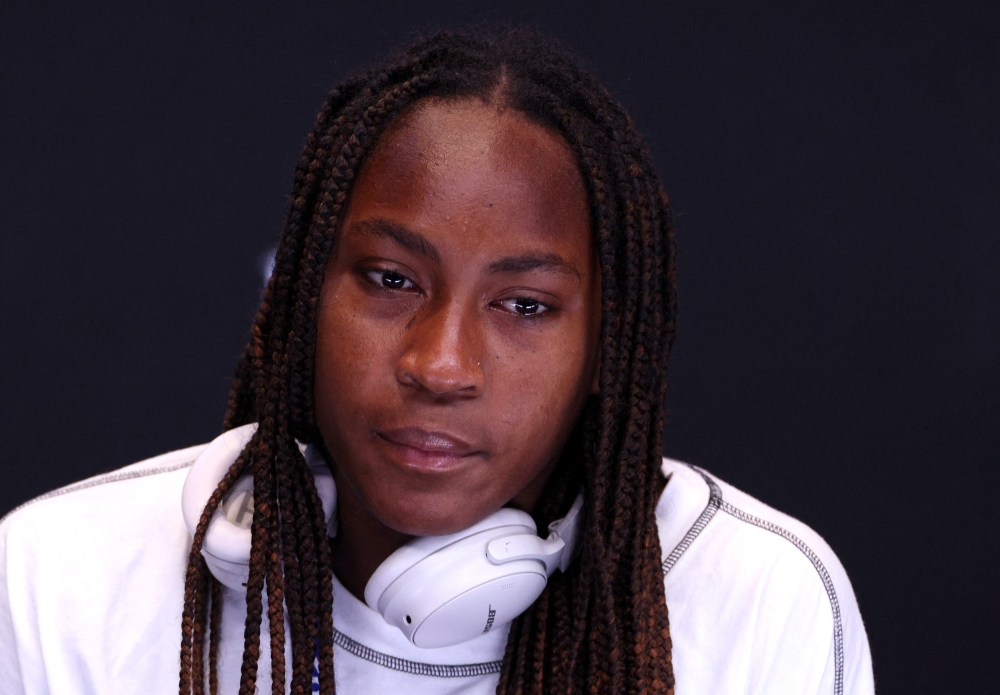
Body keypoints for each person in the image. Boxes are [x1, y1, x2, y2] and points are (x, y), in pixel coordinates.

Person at [0, 26, 875, 695]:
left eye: (524, 305)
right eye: (391, 279)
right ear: (305, 291)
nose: (440, 363)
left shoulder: (755, 595)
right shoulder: (58, 576)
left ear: (606, 345)